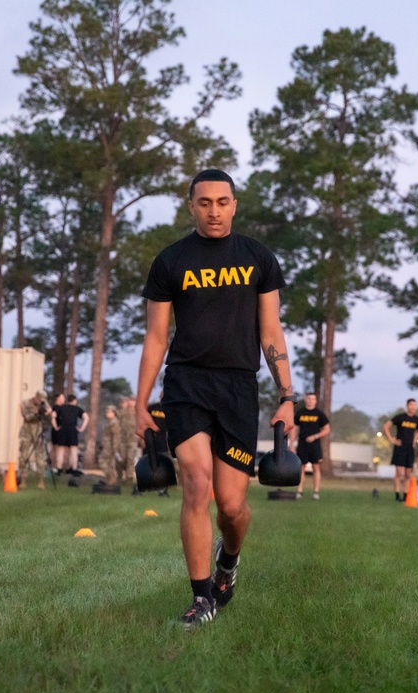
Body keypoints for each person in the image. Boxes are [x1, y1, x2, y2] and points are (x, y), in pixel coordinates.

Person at [135, 168, 295, 628]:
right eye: (204, 203)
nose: (214, 211)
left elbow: (271, 330)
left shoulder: (257, 258)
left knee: (231, 506)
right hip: (186, 384)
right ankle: (201, 597)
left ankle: (229, 560)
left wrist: (288, 396)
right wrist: (141, 403)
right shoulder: (170, 261)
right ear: (191, 206)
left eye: (222, 202)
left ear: (234, 204)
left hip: (239, 388)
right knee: (196, 481)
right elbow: (156, 336)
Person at [290, 393, 330, 500]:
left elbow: (327, 429)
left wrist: (315, 436)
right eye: (309, 398)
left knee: (316, 467)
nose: (311, 401)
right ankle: (299, 491)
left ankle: (316, 492)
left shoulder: (319, 414)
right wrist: (292, 444)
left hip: (315, 445)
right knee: (300, 468)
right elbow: (294, 428)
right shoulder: (300, 413)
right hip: (302, 445)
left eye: (313, 399)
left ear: (315, 401)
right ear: (305, 399)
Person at [383, 399, 418, 502]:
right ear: (407, 406)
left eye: (415, 405)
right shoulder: (400, 417)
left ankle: (406, 496)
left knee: (408, 473)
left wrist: (414, 440)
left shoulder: (417, 420)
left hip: (410, 448)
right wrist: (392, 440)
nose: (413, 407)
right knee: (398, 471)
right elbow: (386, 427)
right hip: (400, 447)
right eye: (411, 405)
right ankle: (397, 495)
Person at [18, 390, 50, 490]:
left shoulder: (43, 403)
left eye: (42, 401)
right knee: (24, 456)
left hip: (38, 431)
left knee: (40, 456)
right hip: (26, 432)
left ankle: (41, 481)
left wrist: (48, 411)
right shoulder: (25, 403)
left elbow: (49, 410)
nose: (41, 402)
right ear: (36, 397)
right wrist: (35, 413)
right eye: (39, 400)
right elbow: (26, 417)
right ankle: (23, 480)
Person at [51, 394, 87, 475]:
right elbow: (86, 417)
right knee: (73, 449)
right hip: (73, 430)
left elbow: (53, 415)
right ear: (74, 401)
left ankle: (59, 468)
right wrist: (82, 428)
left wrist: (56, 427)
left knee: (60, 449)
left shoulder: (61, 408)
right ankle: (73, 468)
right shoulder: (77, 409)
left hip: (62, 429)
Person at [146, 396, 171, 496]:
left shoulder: (170, 409)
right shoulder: (152, 408)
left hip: (163, 441)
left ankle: (162, 489)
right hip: (150, 439)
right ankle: (141, 486)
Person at [118, 397, 140, 483]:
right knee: (122, 458)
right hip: (122, 439)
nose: (132, 403)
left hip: (133, 439)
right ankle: (121, 474)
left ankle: (129, 477)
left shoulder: (138, 413)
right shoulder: (122, 412)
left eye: (134, 401)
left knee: (131, 458)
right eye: (131, 401)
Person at [100, 405, 122, 486]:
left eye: (109, 412)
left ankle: (111, 477)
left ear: (113, 413)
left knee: (102, 461)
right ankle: (110, 480)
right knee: (110, 463)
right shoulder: (110, 422)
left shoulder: (114, 423)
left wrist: (115, 449)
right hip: (107, 446)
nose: (107, 413)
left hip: (110, 447)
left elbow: (116, 437)